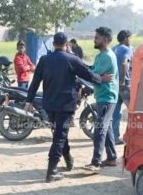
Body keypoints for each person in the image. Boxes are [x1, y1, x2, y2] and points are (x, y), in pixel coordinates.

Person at [25, 32, 112, 182]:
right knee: (59, 136)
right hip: (65, 106)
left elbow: (35, 82)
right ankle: (51, 171)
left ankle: (68, 159)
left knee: (59, 132)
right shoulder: (72, 59)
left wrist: (29, 100)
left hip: (49, 106)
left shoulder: (44, 60)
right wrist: (101, 79)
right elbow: (88, 75)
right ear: (66, 44)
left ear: (53, 44)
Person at [83, 27, 119, 172]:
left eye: (97, 37)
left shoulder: (106, 56)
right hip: (103, 96)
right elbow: (93, 73)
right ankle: (111, 158)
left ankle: (96, 162)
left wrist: (92, 76)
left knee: (100, 129)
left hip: (107, 97)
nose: (94, 39)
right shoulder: (100, 55)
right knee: (107, 127)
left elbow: (92, 75)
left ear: (105, 40)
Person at [112, 30, 133, 145]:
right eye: (130, 38)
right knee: (134, 111)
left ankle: (115, 137)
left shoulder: (114, 48)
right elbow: (125, 63)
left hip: (114, 85)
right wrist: (122, 80)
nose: (131, 40)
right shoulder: (127, 48)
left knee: (116, 112)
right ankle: (134, 136)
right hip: (124, 85)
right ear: (125, 38)